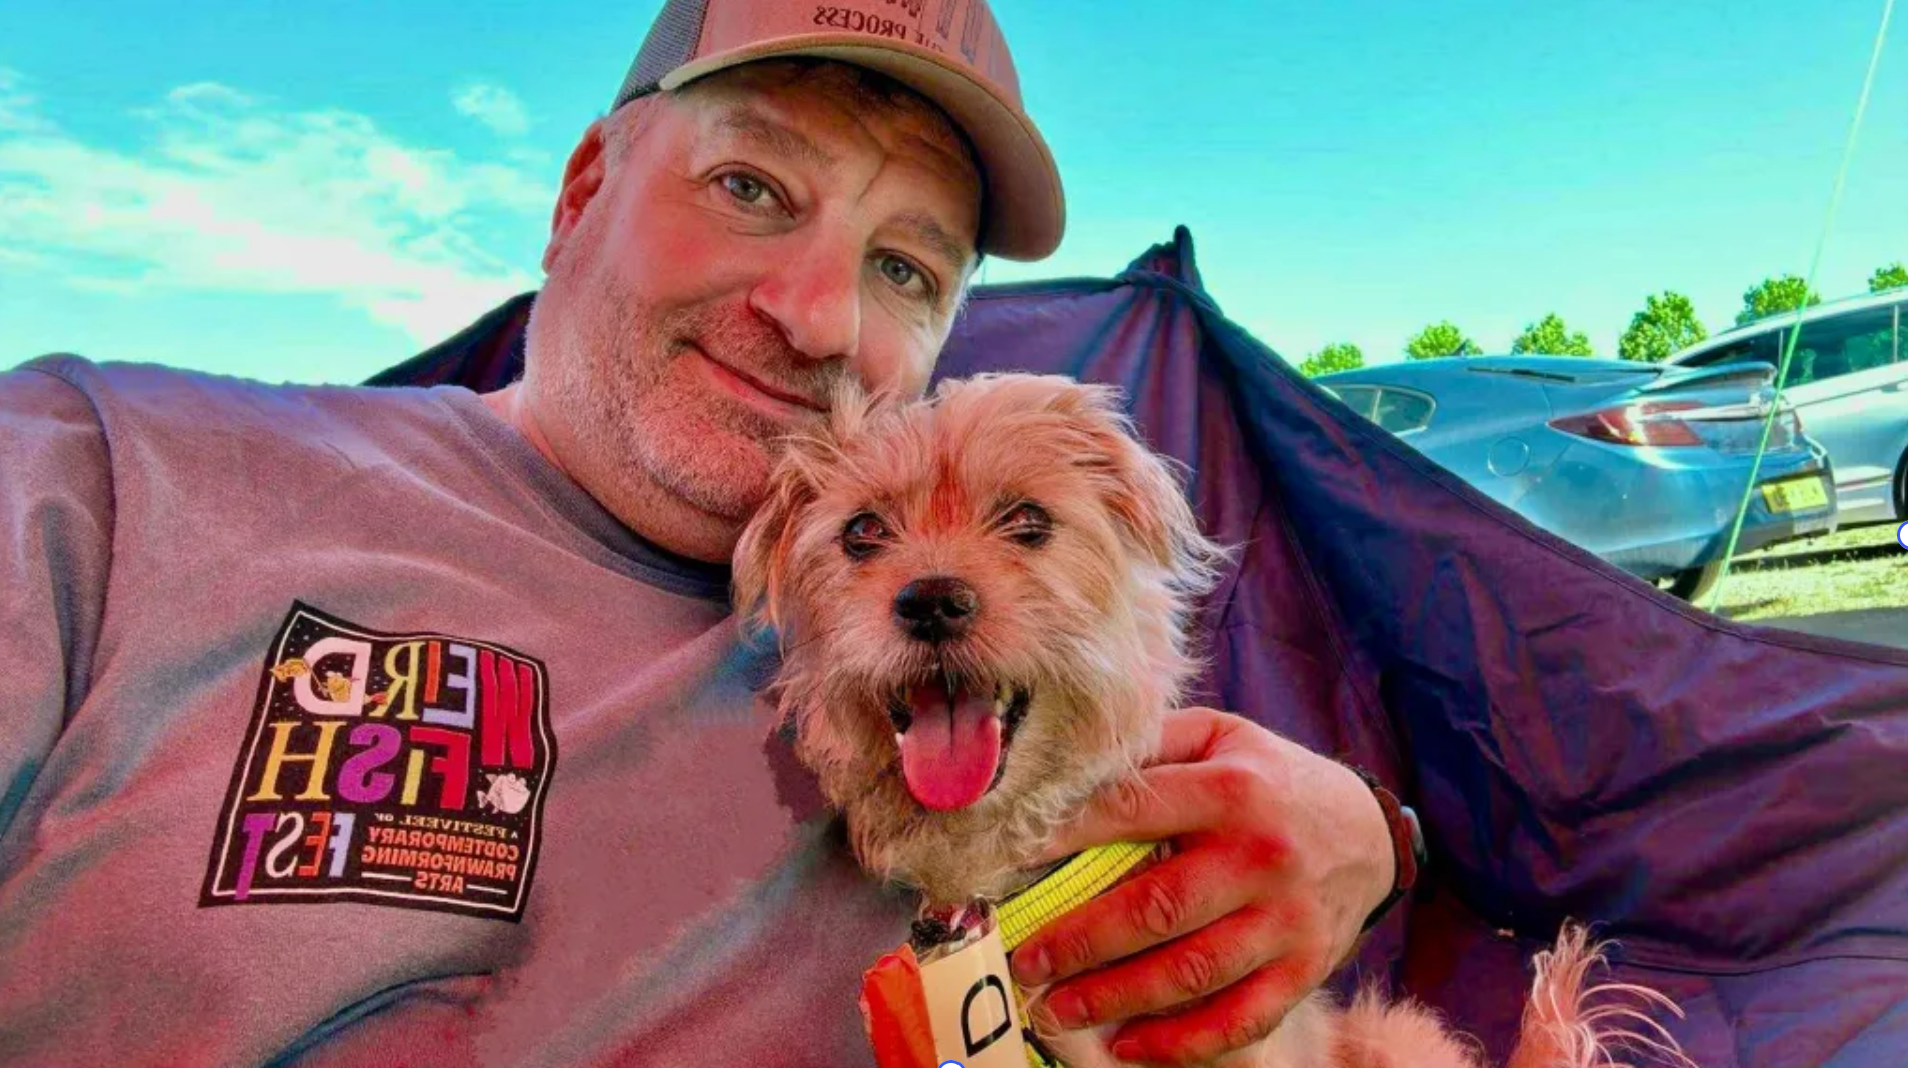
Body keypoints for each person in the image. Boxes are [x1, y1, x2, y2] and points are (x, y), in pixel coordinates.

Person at [0, 2, 1419, 1065]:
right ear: (580, 194)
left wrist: (1378, 840)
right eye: (750, 187)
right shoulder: (100, 470)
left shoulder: (938, 687)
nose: (814, 315)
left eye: (905, 265)